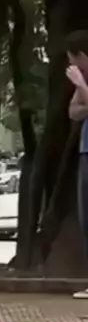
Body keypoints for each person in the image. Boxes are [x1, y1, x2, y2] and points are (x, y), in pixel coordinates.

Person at [66, 30, 88, 299]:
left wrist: (82, 86)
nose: (70, 65)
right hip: (85, 152)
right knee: (86, 219)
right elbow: (73, 112)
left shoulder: (82, 80)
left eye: (72, 58)